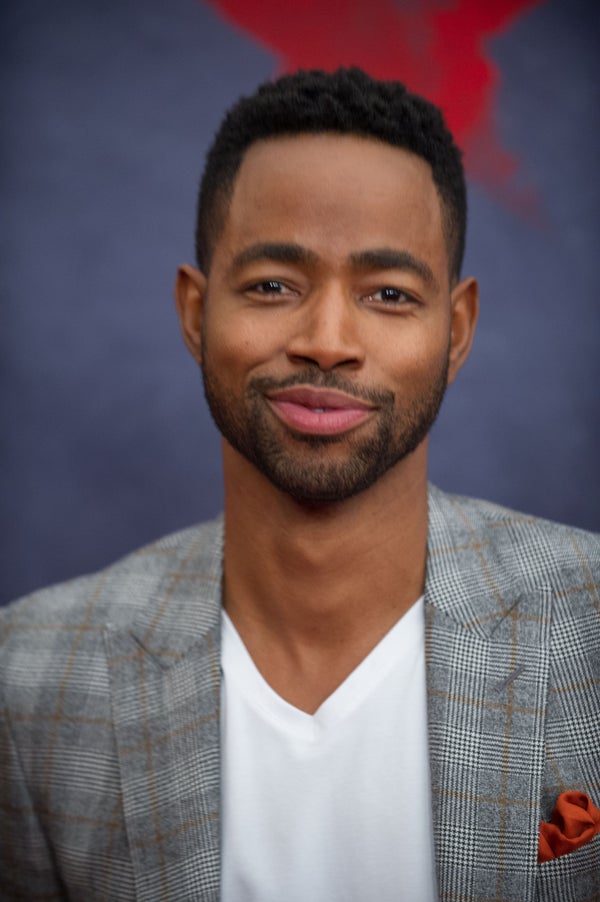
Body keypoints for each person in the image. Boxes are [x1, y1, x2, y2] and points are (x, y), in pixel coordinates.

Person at [1, 68, 598, 902]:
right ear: (194, 312)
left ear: (456, 331)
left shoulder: (589, 631)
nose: (326, 340)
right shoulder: (26, 683)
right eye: (273, 286)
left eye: (389, 294)